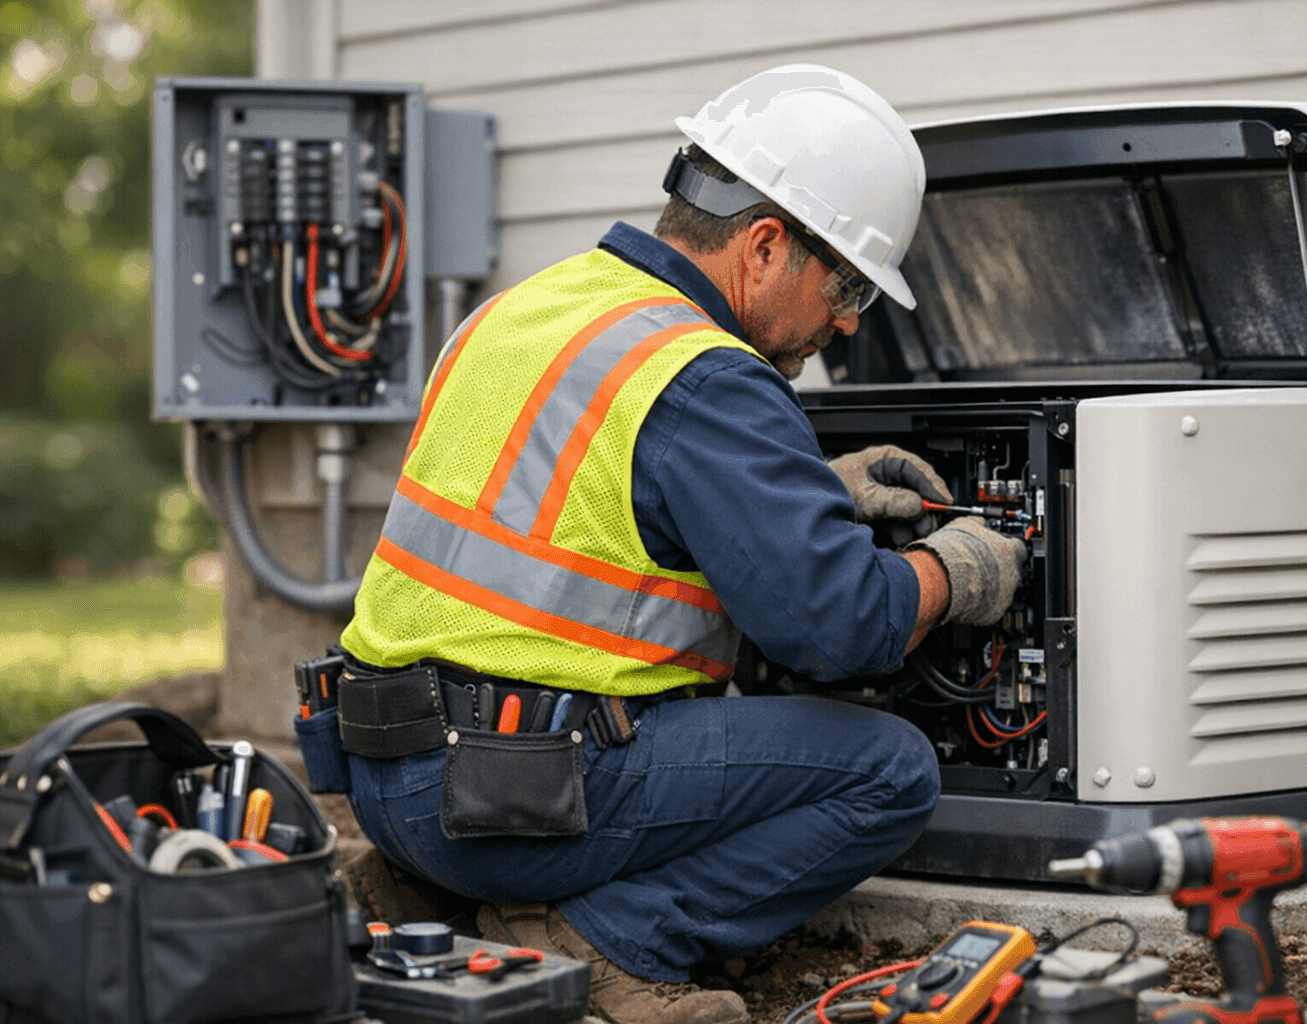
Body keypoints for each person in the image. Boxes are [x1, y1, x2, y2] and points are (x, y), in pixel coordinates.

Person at [333, 65, 1023, 1024]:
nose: (848, 319)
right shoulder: (708, 377)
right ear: (767, 243)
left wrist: (812, 490)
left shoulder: (533, 308)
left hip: (385, 775)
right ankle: (608, 941)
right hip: (512, 797)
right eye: (849, 283)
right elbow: (840, 626)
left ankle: (432, 902)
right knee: (890, 772)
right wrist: (957, 572)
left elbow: (577, 507)